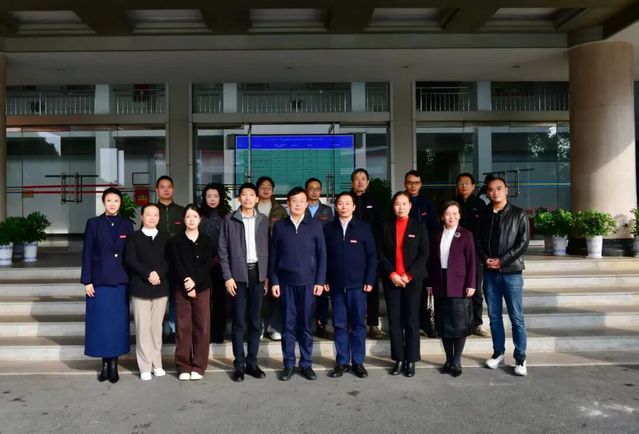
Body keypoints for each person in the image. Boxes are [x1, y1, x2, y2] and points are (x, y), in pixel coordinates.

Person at [269, 187, 326, 381]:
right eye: (294, 201)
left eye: (302, 201)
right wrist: (274, 281)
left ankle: (306, 364)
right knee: (287, 325)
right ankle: (288, 364)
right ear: (288, 203)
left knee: (305, 326)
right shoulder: (280, 226)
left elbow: (322, 255)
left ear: (306, 203)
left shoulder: (315, 225)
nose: (298, 204)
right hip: (286, 284)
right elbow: (273, 256)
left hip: (308, 284)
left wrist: (320, 281)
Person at [476, 177, 530, 377]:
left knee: (517, 317)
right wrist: (485, 259)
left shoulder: (518, 213)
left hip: (511, 272)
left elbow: (523, 242)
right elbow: (477, 240)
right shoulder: (483, 214)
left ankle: (520, 357)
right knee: (494, 316)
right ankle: (498, 352)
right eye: (491, 189)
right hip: (490, 273)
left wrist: (503, 260)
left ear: (506, 190)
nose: (495, 192)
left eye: (499, 188)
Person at [81, 187, 134, 384]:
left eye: (116, 201)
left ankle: (114, 365)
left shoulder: (127, 224)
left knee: (117, 325)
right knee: (101, 324)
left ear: (120, 203)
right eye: (109, 200)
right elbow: (87, 253)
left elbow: (131, 254)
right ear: (103, 202)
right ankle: (104, 365)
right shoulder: (93, 223)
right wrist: (87, 280)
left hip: (121, 281)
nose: (112, 204)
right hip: (99, 281)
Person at [218, 183, 269, 382]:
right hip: (237, 276)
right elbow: (222, 250)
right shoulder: (229, 219)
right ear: (239, 198)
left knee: (255, 321)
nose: (247, 198)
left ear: (257, 199)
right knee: (238, 321)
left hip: (258, 274)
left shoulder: (263, 220)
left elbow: (269, 248)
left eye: (251, 195)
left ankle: (252, 362)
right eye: (244, 195)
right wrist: (228, 277)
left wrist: (266, 276)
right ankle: (239, 363)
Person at [323, 192, 377, 379]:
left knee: (358, 324)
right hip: (336, 285)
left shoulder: (363, 228)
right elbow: (324, 257)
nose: (344, 206)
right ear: (336, 207)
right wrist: (324, 279)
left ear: (354, 207)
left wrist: (369, 280)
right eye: (340, 203)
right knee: (339, 325)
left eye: (347, 203)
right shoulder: (328, 229)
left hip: (358, 286)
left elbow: (372, 256)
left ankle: (358, 362)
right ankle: (342, 362)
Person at [378, 191, 429, 378]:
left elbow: (424, 254)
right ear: (393, 207)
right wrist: (392, 273)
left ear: (410, 206)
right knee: (395, 321)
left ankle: (411, 360)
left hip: (412, 281)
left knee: (412, 321)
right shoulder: (385, 227)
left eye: (404, 203)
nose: (401, 207)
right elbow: (381, 253)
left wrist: (409, 275)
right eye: (397, 204)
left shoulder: (419, 227)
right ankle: (399, 359)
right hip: (392, 280)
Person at [426, 201, 476, 377]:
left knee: (459, 326)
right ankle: (448, 360)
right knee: (445, 326)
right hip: (440, 283)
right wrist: (429, 283)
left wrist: (471, 284)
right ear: (442, 216)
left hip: (459, 285)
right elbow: (431, 261)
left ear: (460, 215)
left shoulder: (466, 235)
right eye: (448, 213)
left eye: (455, 213)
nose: (451, 217)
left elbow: (472, 261)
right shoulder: (436, 234)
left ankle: (457, 361)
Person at [125, 203, 170, 381]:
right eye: (148, 214)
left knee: (156, 329)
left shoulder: (165, 237)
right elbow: (131, 260)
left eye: (156, 214)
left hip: (161, 287)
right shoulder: (133, 237)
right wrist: (147, 274)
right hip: (140, 287)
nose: (152, 217)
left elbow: (169, 260)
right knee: (143, 329)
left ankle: (157, 363)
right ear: (142, 217)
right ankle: (144, 366)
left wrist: (158, 274)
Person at [169, 205, 213, 381]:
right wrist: (187, 282)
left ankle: (199, 365)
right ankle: (183, 366)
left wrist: (195, 282)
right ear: (184, 219)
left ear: (200, 219)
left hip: (202, 288)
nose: (192, 219)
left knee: (202, 327)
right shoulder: (176, 241)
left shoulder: (207, 241)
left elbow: (207, 265)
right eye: (188, 216)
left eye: (195, 216)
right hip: (182, 289)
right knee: (183, 328)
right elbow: (176, 264)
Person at [350, 168, 384, 339]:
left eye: (363, 178)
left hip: (371, 252)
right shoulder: (347, 199)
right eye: (357, 178)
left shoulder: (375, 200)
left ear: (368, 182)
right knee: (353, 290)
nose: (360, 181)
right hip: (351, 252)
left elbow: (380, 226)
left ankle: (373, 324)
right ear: (352, 182)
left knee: (372, 289)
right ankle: (354, 323)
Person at [454, 173, 489, 337]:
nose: (464, 186)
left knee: (475, 289)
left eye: (467, 183)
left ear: (473, 186)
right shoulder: (452, 203)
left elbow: (484, 231)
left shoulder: (480, 204)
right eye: (461, 183)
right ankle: (461, 323)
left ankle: (477, 323)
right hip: (455, 252)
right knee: (457, 289)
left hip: (475, 252)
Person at [403, 170, 438, 338]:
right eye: (410, 182)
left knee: (424, 289)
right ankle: (408, 323)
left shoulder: (427, 203)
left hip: (424, 252)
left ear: (421, 184)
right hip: (405, 253)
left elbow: (433, 227)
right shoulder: (400, 200)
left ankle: (425, 323)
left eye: (416, 183)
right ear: (405, 184)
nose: (413, 186)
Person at [256, 176, 288, 341]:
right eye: (262, 186)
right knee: (258, 291)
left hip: (276, 254)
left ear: (273, 190)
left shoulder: (280, 210)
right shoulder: (252, 206)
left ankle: (274, 327)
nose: (266, 189)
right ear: (257, 189)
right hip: (256, 255)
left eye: (269, 187)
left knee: (276, 291)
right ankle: (259, 325)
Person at [199, 183, 230, 344]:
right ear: (204, 198)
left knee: (219, 300)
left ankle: (218, 333)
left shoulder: (227, 216)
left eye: (216, 196)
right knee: (203, 300)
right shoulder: (199, 215)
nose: (212, 199)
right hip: (202, 264)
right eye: (209, 196)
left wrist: (219, 258)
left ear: (220, 197)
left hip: (221, 264)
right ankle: (205, 332)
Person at [305, 177, 334, 338]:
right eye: (311, 188)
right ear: (306, 190)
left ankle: (321, 325)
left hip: (322, 255)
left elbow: (330, 232)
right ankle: (306, 326)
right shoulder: (301, 207)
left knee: (322, 294)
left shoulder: (327, 210)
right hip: (304, 256)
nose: (314, 191)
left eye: (317, 188)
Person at [155, 175, 184, 337]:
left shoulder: (181, 211)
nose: (166, 190)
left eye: (169, 187)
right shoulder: (152, 211)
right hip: (157, 262)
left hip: (177, 262)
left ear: (173, 189)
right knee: (158, 298)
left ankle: (173, 330)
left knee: (175, 297)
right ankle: (158, 331)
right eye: (162, 187)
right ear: (157, 190)